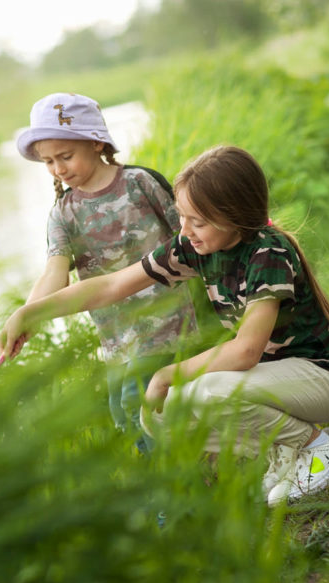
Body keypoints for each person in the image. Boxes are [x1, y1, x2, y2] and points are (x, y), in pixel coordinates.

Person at [0, 145, 329, 504]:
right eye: (182, 217)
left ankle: (320, 449)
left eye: (197, 221)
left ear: (233, 215)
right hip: (280, 381)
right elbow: (111, 286)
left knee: (208, 391)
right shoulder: (193, 247)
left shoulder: (268, 253)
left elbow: (247, 350)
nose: (184, 230)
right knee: (161, 414)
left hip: (324, 380)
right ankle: (287, 454)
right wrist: (29, 314)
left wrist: (166, 374)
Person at [13, 92, 201, 453]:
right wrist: (27, 315)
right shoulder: (62, 214)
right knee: (123, 415)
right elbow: (55, 273)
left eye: (65, 156)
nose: (58, 169)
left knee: (140, 407)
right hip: (117, 340)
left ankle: (175, 494)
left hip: (168, 323)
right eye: (49, 161)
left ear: (96, 141)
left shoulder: (140, 184)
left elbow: (192, 236)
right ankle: (185, 480)